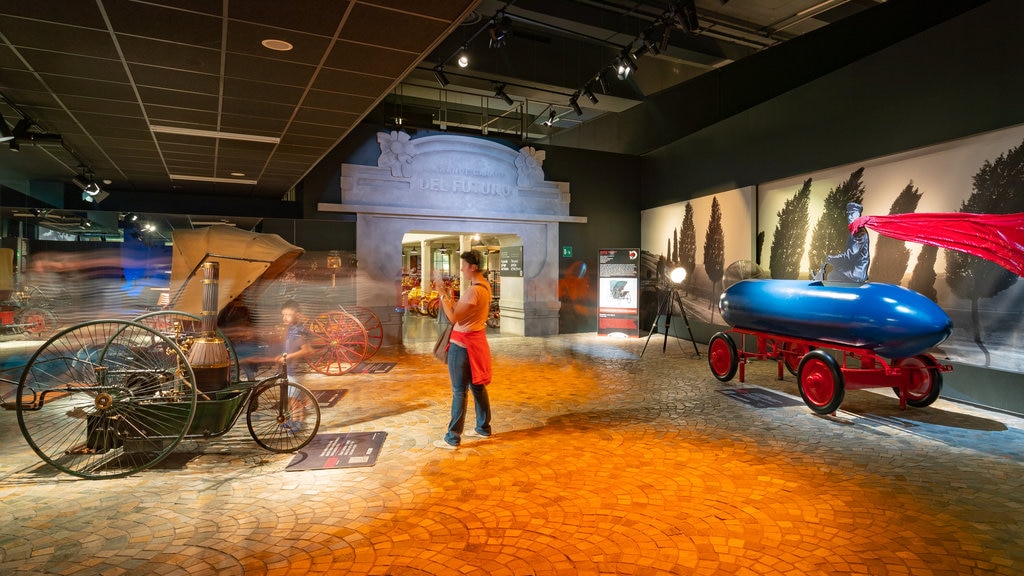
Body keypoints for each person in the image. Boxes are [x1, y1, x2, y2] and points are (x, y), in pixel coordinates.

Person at [431, 251, 493, 449]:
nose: (462, 269)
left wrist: (442, 294)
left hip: (462, 345)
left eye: (464, 265)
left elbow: (453, 317)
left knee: (459, 391)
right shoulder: (485, 286)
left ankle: (452, 437)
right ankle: (483, 428)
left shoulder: (474, 291)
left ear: (473, 267)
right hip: (475, 342)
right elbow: (461, 311)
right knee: (476, 386)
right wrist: (448, 296)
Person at [826, 202, 870, 283]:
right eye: (848, 214)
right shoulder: (857, 230)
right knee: (834, 273)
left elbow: (851, 254)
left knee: (832, 276)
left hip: (856, 273)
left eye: (851, 214)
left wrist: (832, 258)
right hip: (855, 271)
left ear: (856, 215)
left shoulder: (859, 232)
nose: (849, 217)